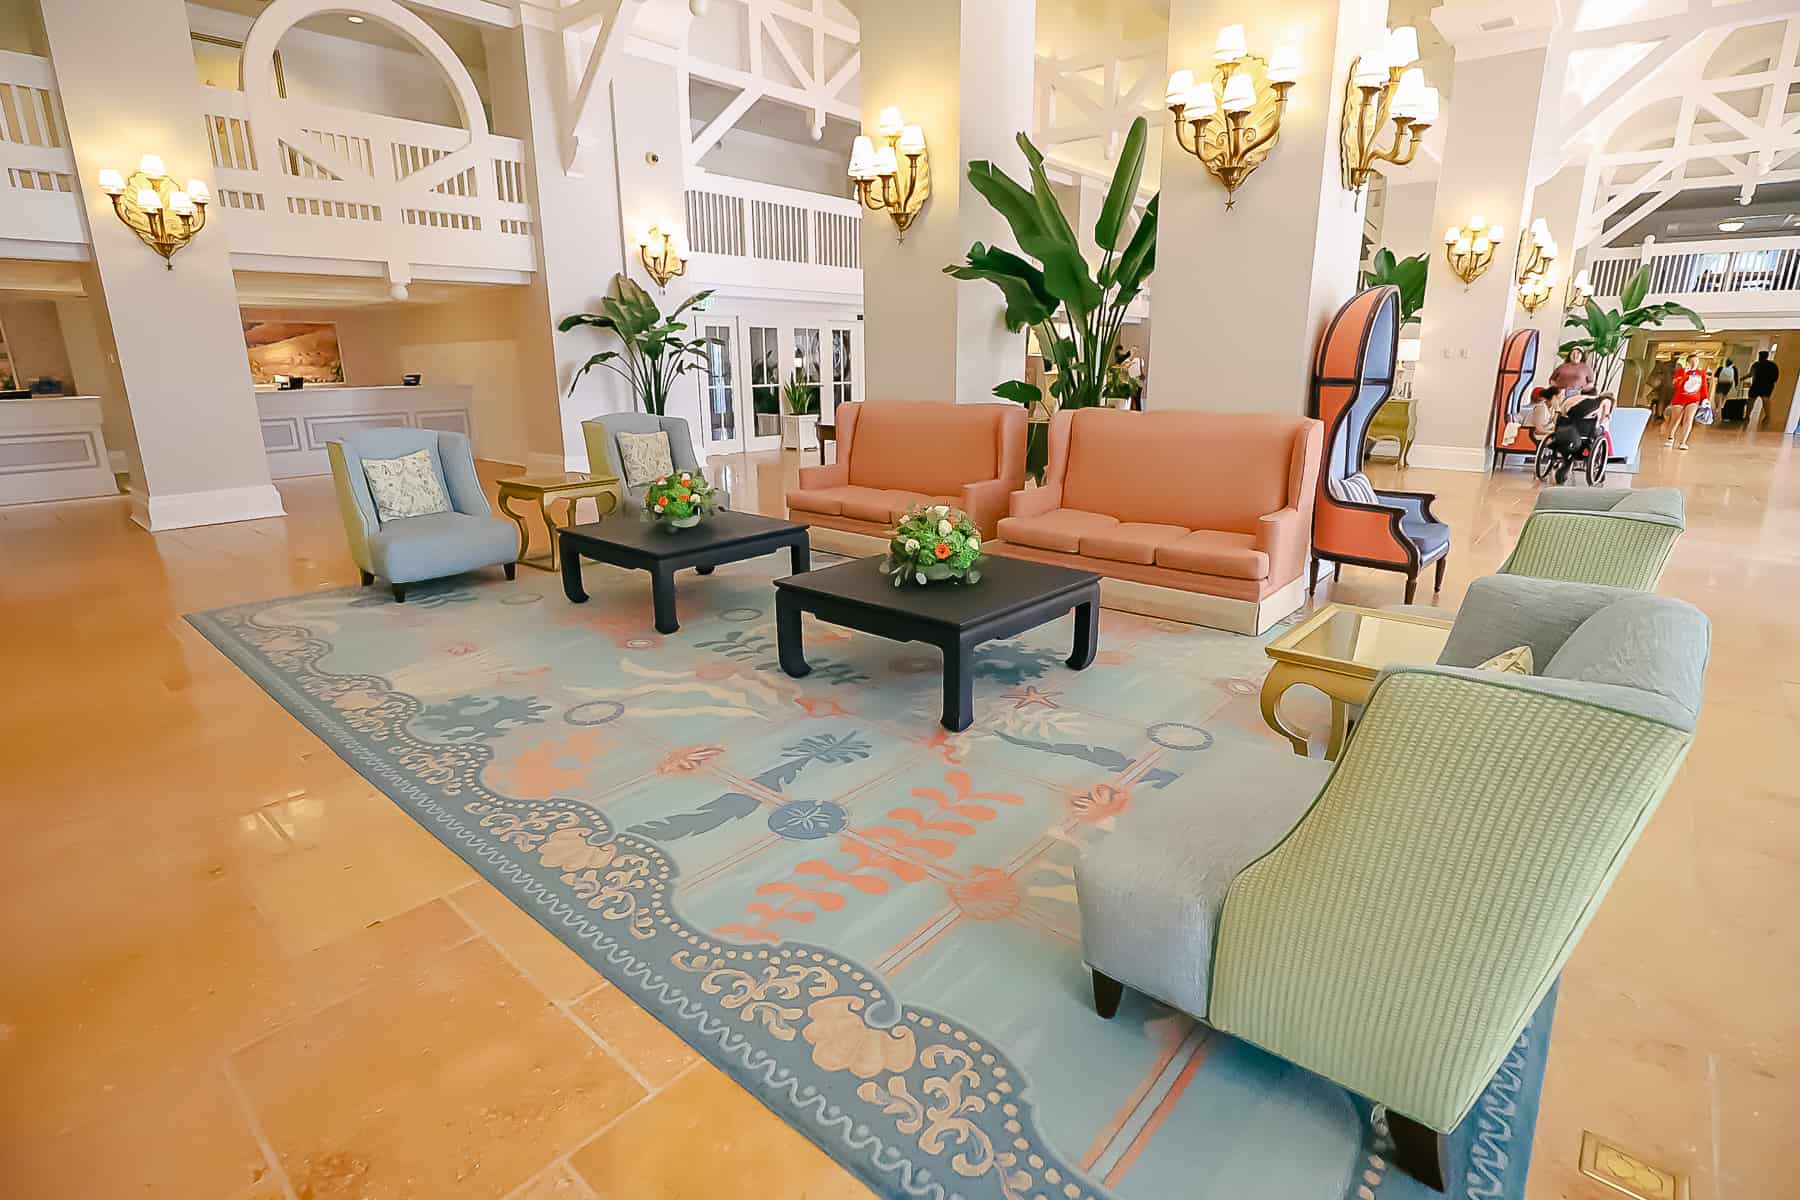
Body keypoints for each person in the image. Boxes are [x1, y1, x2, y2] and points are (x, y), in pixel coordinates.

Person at [1667, 353, 1708, 450]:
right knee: (1675, 419)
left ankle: (1683, 442)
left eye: (1696, 361)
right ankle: (1670, 437)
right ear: (1688, 362)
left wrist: (1705, 398)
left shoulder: (1701, 373)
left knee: (1688, 419)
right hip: (1680, 399)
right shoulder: (1681, 371)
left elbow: (1704, 386)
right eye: (1692, 362)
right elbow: (1676, 384)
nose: (1694, 364)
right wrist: (1685, 374)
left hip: (1694, 399)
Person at [1747, 351, 1780, 423]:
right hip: (1768, 385)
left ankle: (1747, 416)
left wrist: (1742, 378)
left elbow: (1750, 374)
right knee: (1766, 400)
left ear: (1759, 356)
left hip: (1756, 385)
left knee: (1751, 401)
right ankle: (1767, 417)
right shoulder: (1773, 365)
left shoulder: (1756, 364)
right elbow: (1776, 376)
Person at [1717, 358, 1743, 422]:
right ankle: (1722, 405)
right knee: (1725, 394)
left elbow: (1716, 375)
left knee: (1718, 394)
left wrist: (1719, 378)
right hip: (1728, 383)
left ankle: (1718, 406)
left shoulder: (1721, 367)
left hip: (1721, 382)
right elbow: (1736, 377)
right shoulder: (1734, 368)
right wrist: (1736, 384)